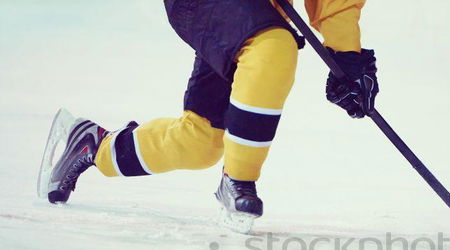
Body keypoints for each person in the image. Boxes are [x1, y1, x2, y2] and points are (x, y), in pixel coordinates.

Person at [44, 0, 378, 231]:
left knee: (201, 140)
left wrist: (346, 53)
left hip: (254, 11)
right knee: (273, 46)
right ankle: (239, 180)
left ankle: (92, 145)